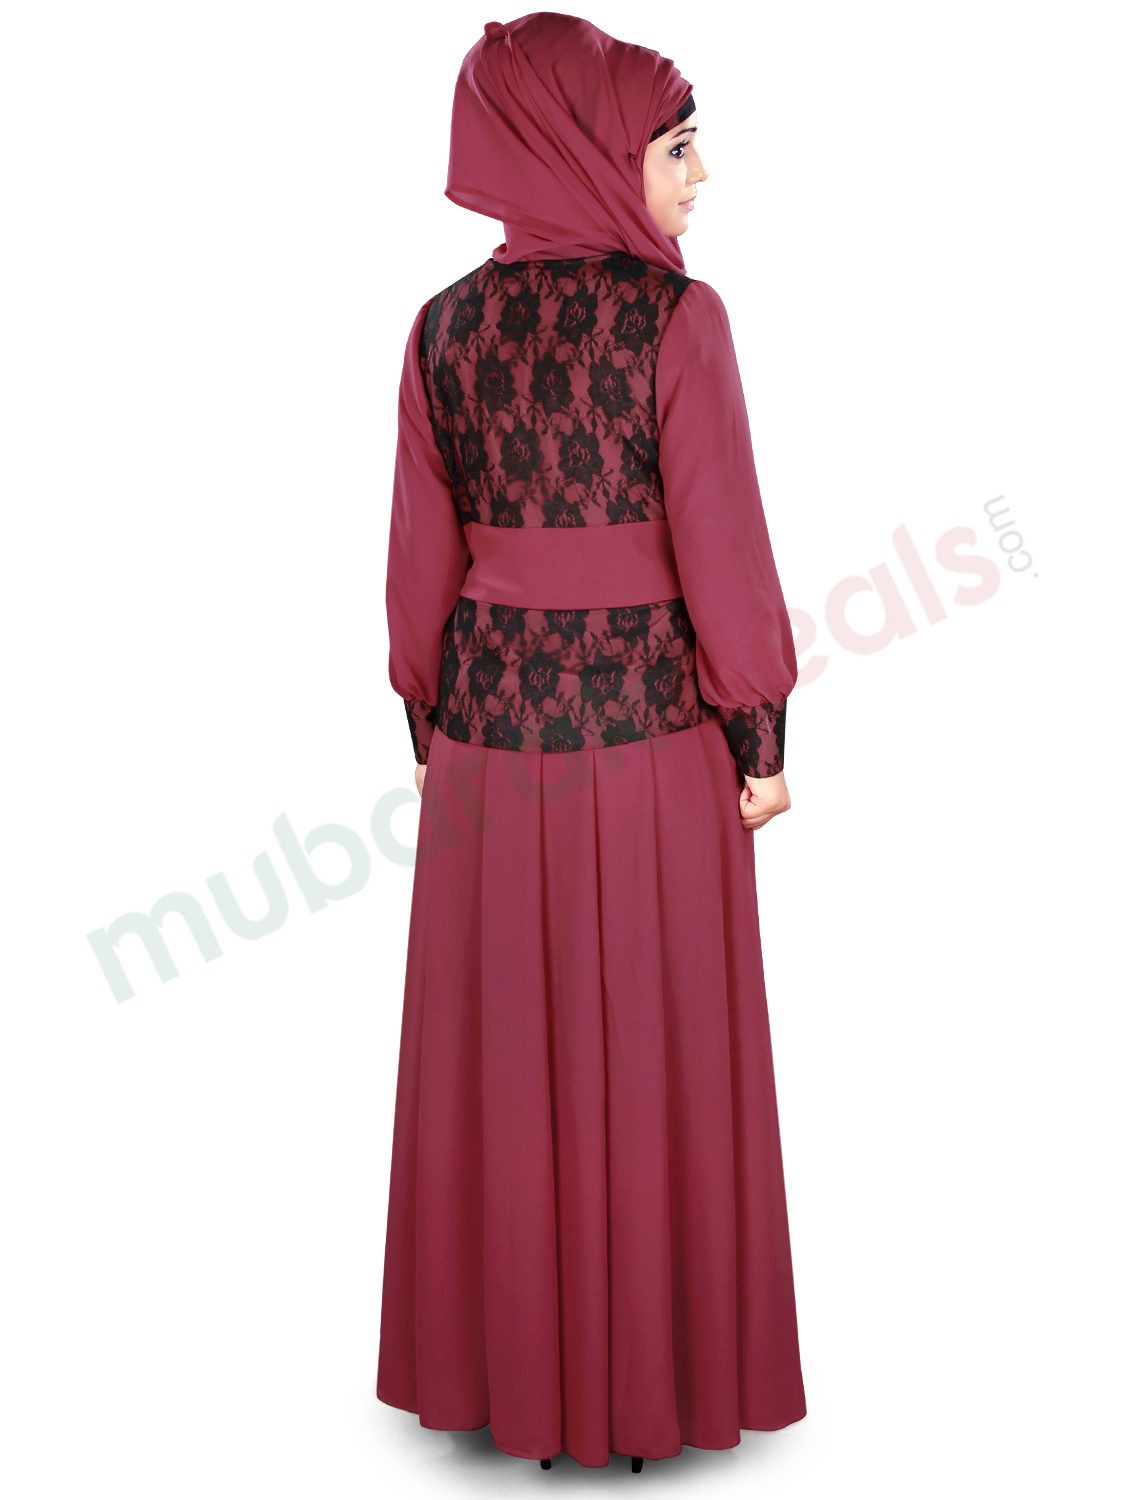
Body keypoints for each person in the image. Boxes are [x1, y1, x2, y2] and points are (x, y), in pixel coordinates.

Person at [377, 12, 806, 1472]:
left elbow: (417, 570)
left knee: (502, 1050)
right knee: (655, 1047)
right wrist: (760, 735)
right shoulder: (679, 320)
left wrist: (429, 725)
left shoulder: (440, 329)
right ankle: (648, 1384)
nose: (699, 177)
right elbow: (725, 552)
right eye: (676, 148)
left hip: (486, 759)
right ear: (589, 154)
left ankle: (508, 1378)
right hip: (654, 752)